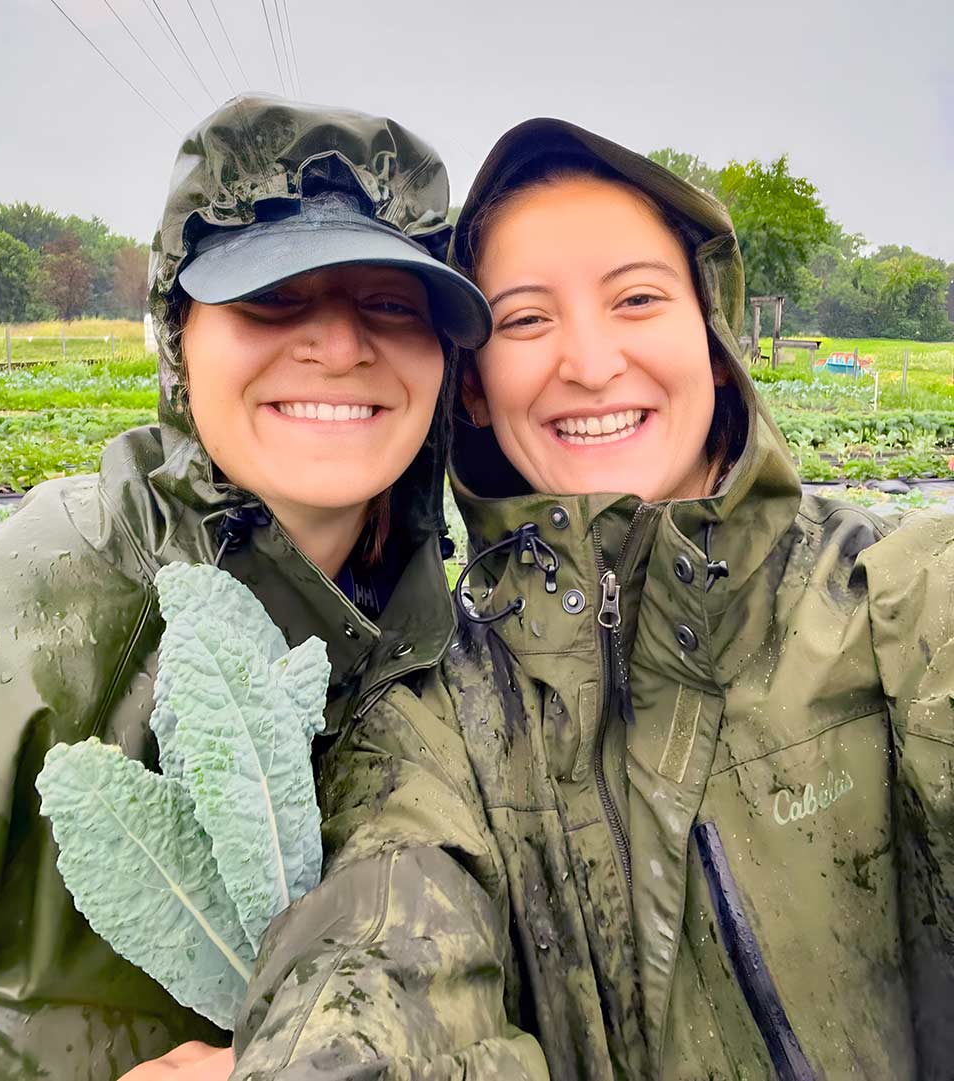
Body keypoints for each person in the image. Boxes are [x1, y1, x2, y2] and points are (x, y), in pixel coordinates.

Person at [225, 118, 954, 1080]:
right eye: (527, 319)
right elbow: (377, 952)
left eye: (639, 299)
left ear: (713, 333)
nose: (593, 361)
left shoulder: (899, 593)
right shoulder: (430, 721)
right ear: (474, 389)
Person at [0, 93, 490, 1080]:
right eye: (274, 294)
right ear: (177, 336)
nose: (339, 346)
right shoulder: (13, 627)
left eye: (388, 301)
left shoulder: (449, 662)